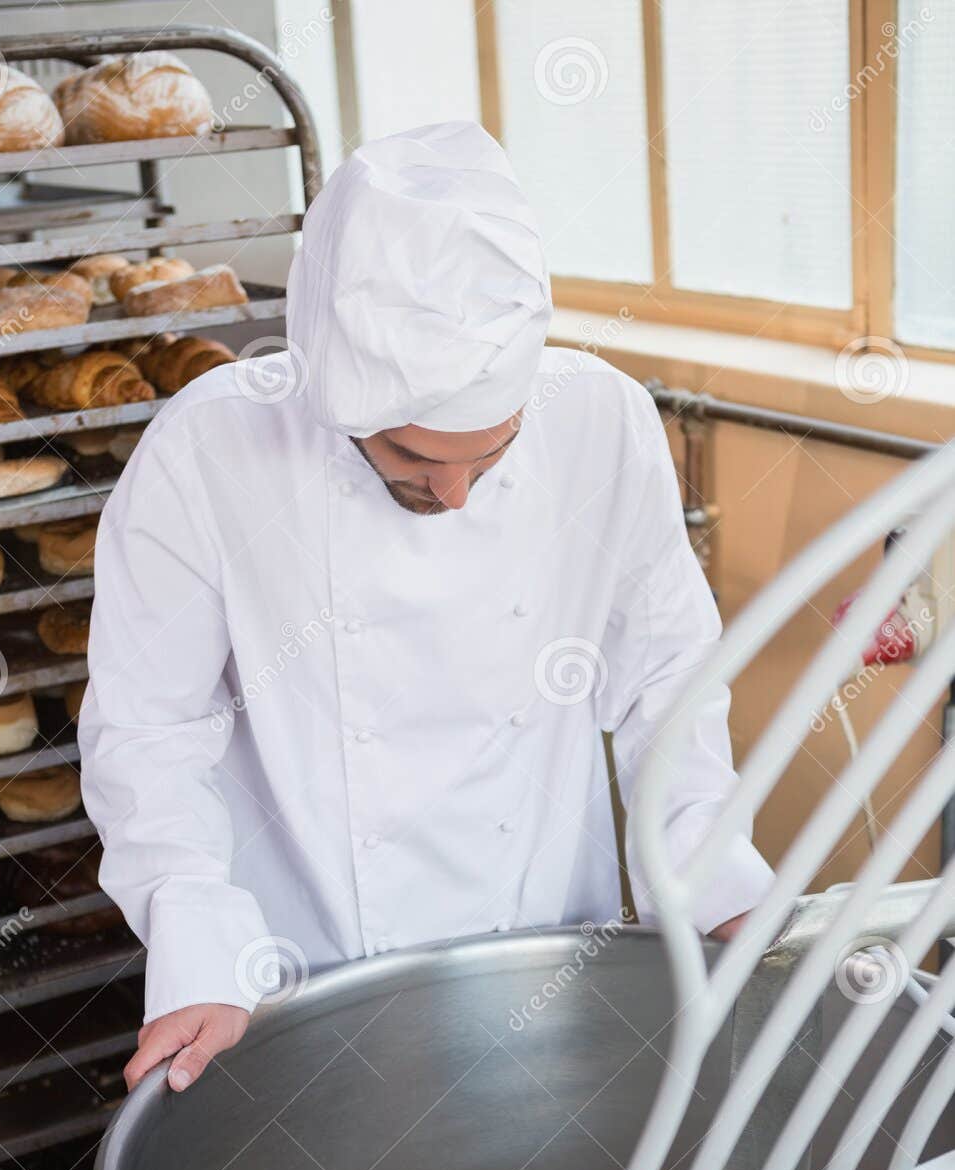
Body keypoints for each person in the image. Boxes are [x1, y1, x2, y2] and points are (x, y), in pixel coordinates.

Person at [79, 122, 772, 1096]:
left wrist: (715, 876)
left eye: (488, 460)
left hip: (543, 953)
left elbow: (665, 680)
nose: (453, 497)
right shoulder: (208, 450)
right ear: (331, 391)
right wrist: (199, 941)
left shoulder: (601, 422)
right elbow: (149, 732)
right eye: (412, 461)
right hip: (295, 971)